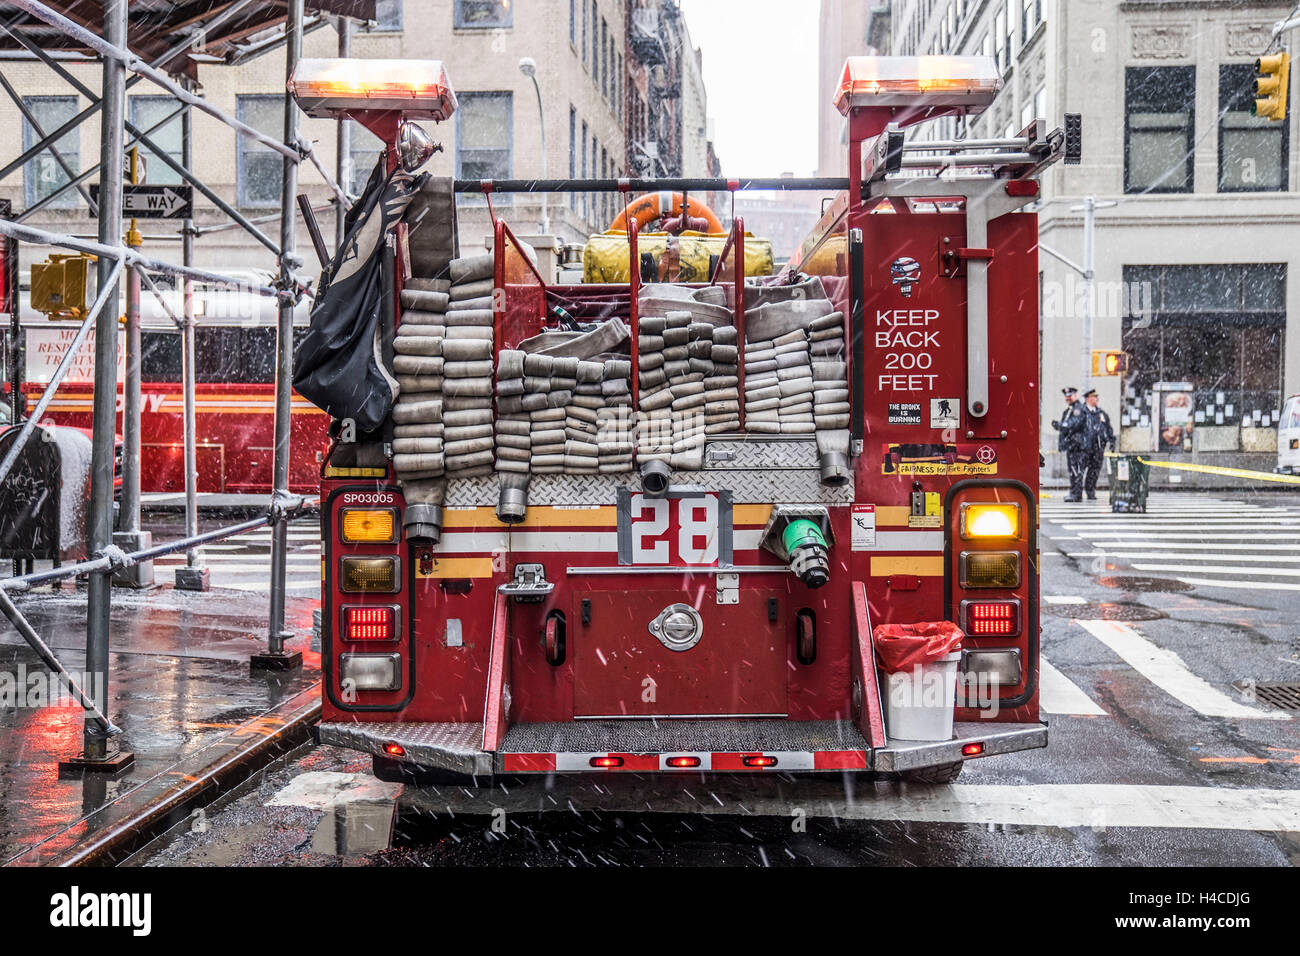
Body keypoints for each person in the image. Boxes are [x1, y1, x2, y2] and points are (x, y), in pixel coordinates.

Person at [1051, 386, 1087, 501]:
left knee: (1076, 470)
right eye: (1066, 396)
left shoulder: (1078, 409)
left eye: (1070, 396)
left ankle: (1076, 494)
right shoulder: (1069, 410)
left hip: (1077, 446)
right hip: (1071, 446)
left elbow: (1073, 424)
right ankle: (1074, 492)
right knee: (1072, 470)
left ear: (1075, 396)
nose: (1068, 398)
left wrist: (1060, 425)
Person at [1081, 388, 1116, 500]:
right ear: (1087, 399)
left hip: (1098, 448)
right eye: (1094, 397)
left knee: (1094, 471)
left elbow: (1108, 428)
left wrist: (1111, 440)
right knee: (1079, 471)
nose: (1096, 399)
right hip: (1084, 448)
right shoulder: (1081, 412)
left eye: (1097, 397)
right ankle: (1076, 493)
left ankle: (1090, 491)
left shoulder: (1101, 413)